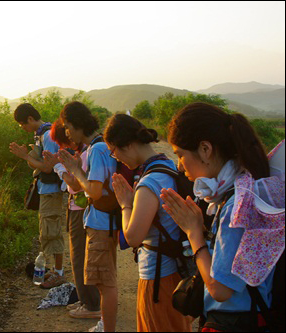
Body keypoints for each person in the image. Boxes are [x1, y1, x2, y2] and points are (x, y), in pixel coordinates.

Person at [160, 102, 278, 332]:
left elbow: (220, 290)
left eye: (180, 154)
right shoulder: (247, 188)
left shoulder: (236, 205)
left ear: (205, 149)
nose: (179, 165)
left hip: (235, 323)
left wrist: (194, 233)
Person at [104, 114, 192, 332]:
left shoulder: (149, 182)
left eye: (113, 151)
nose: (115, 158)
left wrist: (125, 204)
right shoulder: (167, 165)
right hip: (175, 272)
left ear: (129, 144)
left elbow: (133, 237)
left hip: (157, 278)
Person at [57, 101, 118, 332]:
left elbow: (93, 190)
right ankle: (105, 322)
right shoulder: (98, 146)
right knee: (104, 280)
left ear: (78, 124)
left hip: (101, 222)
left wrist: (75, 170)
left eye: (67, 126)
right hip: (101, 220)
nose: (66, 132)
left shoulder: (98, 148)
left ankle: (106, 325)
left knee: (105, 282)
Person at [43, 119, 102, 320]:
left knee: (80, 257)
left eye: (64, 139)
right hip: (78, 208)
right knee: (80, 256)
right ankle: (86, 300)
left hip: (80, 209)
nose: (63, 146)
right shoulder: (87, 151)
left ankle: (91, 304)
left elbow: (75, 185)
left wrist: (59, 168)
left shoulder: (86, 153)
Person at [9, 103, 67, 289]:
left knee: (52, 231)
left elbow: (48, 167)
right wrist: (28, 156)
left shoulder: (48, 136)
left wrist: (26, 157)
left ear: (30, 119)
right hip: (45, 190)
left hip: (51, 191)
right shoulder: (40, 135)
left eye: (22, 124)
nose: (23, 128)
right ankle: (55, 271)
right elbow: (36, 164)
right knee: (47, 231)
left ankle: (58, 273)